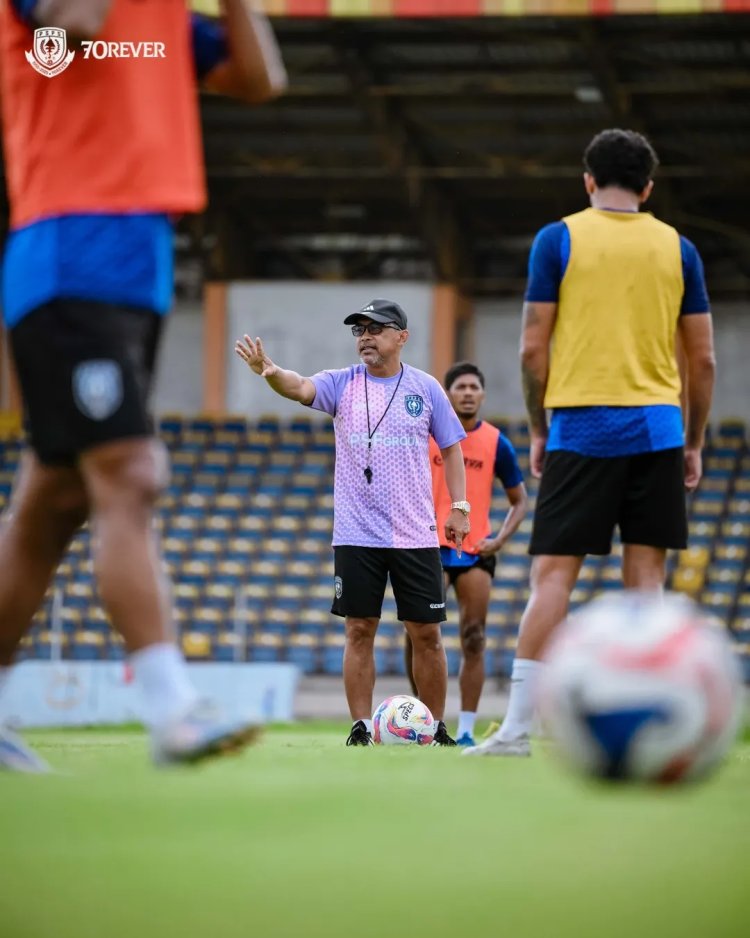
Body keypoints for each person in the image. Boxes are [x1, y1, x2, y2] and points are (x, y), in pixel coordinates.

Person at [0, 0, 287, 770]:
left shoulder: (162, 15)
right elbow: (77, 28)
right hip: (68, 245)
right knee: (130, 471)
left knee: (50, 503)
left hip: (139, 261)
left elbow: (258, 79)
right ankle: (172, 711)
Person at [466, 128, 715, 757]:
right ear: (648, 187)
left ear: (587, 181)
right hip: (658, 426)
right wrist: (693, 441)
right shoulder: (678, 248)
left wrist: (542, 426)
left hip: (581, 426)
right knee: (647, 583)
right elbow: (704, 360)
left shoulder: (559, 238)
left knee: (552, 579)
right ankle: (653, 729)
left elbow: (531, 346)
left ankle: (519, 729)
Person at [235, 298, 471, 746]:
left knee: (427, 635)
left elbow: (452, 446)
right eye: (359, 329)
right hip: (356, 533)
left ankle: (436, 727)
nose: (365, 336)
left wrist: (460, 505)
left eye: (375, 328)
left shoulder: (426, 389)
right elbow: (300, 386)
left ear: (401, 336)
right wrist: (271, 371)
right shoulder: (341, 383)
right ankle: (361, 727)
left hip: (415, 533)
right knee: (358, 629)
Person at [403, 362, 527, 746]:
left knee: (474, 637)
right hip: (430, 546)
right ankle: (423, 722)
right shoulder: (426, 436)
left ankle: (469, 729)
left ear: (483, 395)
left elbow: (519, 501)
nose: (469, 392)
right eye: (461, 387)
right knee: (421, 633)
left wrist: (501, 539)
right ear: (448, 394)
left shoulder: (496, 442)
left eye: (475, 386)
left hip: (475, 550)